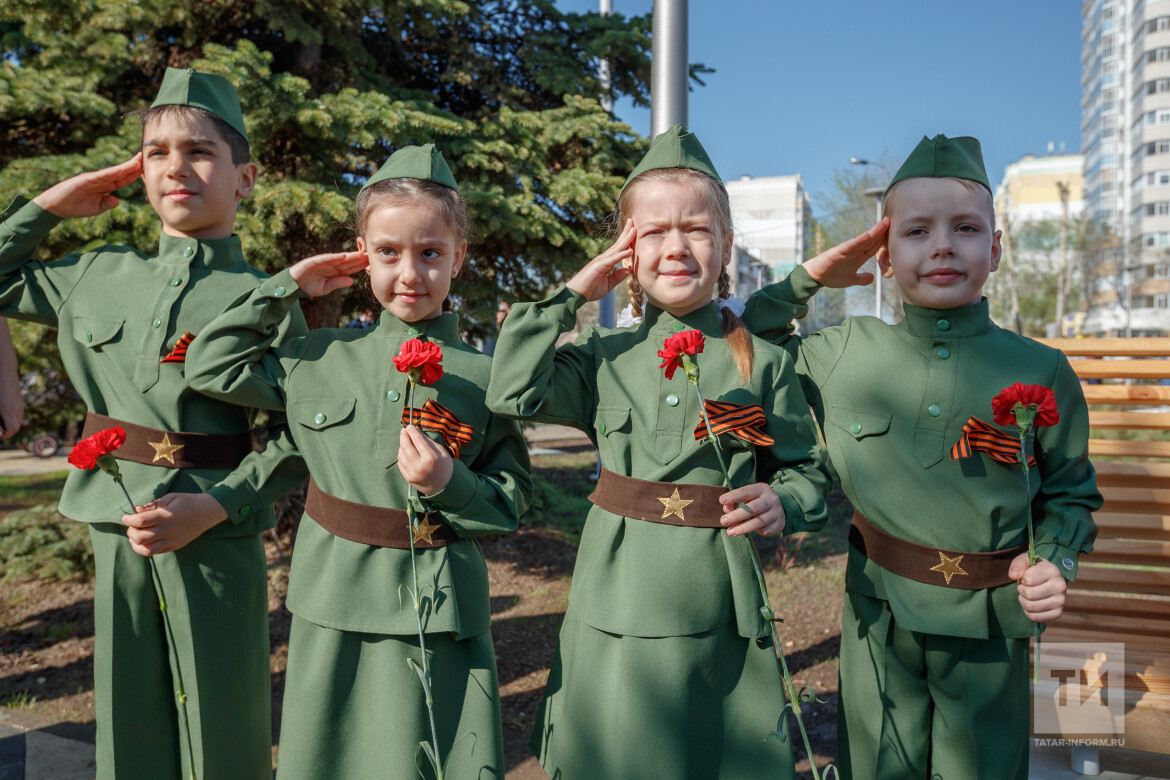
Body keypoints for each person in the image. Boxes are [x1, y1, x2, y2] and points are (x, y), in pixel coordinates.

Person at [742, 134, 1102, 780]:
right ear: (882, 255)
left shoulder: (1042, 370)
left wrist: (1056, 559)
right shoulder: (843, 352)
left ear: (995, 248)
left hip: (991, 626)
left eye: (965, 228)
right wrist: (814, 274)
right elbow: (744, 343)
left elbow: (1071, 494)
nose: (941, 246)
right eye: (915, 231)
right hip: (878, 620)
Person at [486, 125, 829, 779]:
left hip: (719, 604)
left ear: (726, 245)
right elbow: (511, 391)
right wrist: (576, 293)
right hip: (614, 597)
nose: (676, 247)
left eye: (697, 230)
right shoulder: (602, 359)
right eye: (653, 232)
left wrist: (783, 499)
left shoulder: (761, 363)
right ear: (626, 250)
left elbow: (807, 470)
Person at [0, 67, 309, 778]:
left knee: (224, 710)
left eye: (200, 151)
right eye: (155, 152)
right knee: (127, 716)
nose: (176, 167)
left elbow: (305, 430)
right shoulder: (95, 273)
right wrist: (51, 204)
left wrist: (217, 504)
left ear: (246, 178)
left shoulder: (265, 298)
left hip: (215, 523)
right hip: (114, 513)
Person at [186, 144, 532, 779]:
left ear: (460, 257)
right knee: (330, 756)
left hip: (439, 600)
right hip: (334, 596)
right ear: (361, 253)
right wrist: (286, 286)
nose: (409, 273)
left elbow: (512, 501)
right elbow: (212, 365)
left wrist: (451, 484)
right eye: (388, 252)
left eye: (430, 252)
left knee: (439, 756)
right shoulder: (317, 355)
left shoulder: (490, 377)